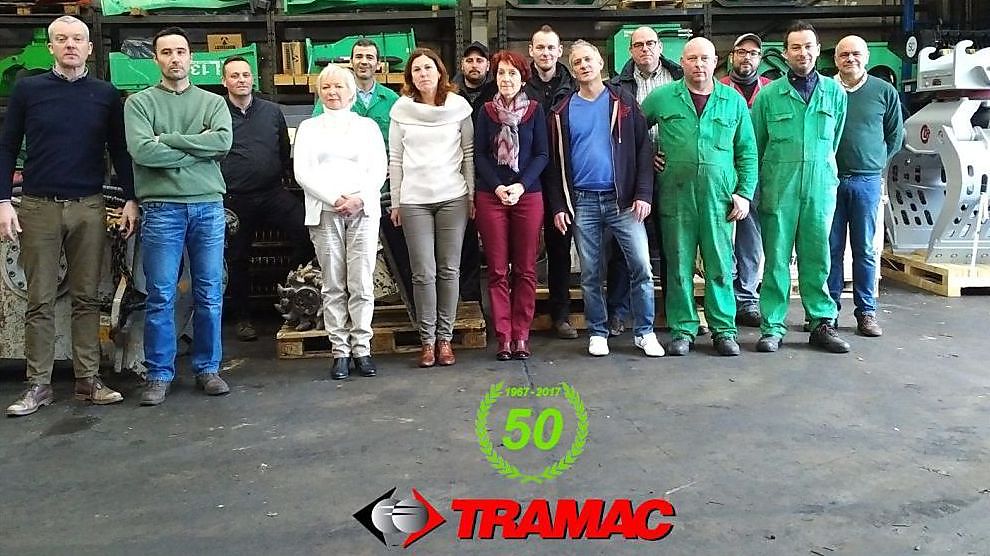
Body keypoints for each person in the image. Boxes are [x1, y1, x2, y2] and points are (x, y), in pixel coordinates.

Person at [0, 16, 139, 416]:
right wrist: (3, 201)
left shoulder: (105, 94)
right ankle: (38, 384)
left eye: (78, 39)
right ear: (51, 47)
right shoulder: (29, 90)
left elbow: (120, 150)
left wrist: (131, 199)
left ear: (90, 48)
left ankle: (87, 380)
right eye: (61, 39)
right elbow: (7, 145)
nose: (70, 45)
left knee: (87, 297)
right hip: (38, 206)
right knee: (39, 299)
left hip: (89, 206)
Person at [124, 26, 233, 404]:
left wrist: (168, 140)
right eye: (167, 52)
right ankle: (159, 374)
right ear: (156, 58)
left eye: (181, 52)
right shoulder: (139, 103)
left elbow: (222, 143)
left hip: (208, 206)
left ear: (191, 57)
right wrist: (198, 148)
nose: (174, 58)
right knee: (160, 293)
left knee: (210, 291)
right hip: (161, 208)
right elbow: (143, 152)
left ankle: (208, 368)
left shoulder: (213, 102)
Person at [545, 40, 663, 358]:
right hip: (582, 201)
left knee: (641, 267)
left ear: (600, 63)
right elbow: (553, 165)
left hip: (623, 201)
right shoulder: (561, 111)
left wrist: (643, 194)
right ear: (572, 70)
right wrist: (559, 205)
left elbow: (643, 149)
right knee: (590, 273)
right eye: (577, 62)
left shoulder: (623, 102)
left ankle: (645, 332)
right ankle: (597, 332)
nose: (584, 65)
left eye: (589, 59)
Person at [642, 38, 758, 357]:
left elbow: (747, 151)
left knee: (720, 264)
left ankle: (723, 330)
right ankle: (683, 329)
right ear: (682, 61)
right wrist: (648, 156)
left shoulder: (732, 101)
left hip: (719, 200)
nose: (698, 64)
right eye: (692, 58)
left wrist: (744, 194)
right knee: (678, 265)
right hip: (675, 197)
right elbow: (632, 133)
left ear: (716, 61)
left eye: (705, 58)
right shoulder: (663, 97)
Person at [751, 21, 850, 354]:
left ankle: (821, 322)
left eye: (808, 46)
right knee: (776, 259)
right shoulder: (768, 96)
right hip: (779, 189)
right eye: (795, 47)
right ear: (785, 53)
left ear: (818, 50)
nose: (802, 52)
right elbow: (756, 146)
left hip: (820, 189)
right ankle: (772, 327)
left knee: (818, 256)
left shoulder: (835, 93)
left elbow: (833, 141)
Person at [294, 65, 387, 380]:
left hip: (363, 211)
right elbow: (302, 172)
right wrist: (335, 199)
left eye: (339, 86)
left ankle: (362, 347)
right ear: (319, 92)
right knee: (333, 283)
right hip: (325, 212)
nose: (333, 92)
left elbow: (379, 169)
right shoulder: (309, 128)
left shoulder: (367, 127)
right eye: (327, 86)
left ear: (351, 92)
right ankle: (340, 351)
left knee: (361, 281)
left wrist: (359, 198)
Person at [389, 48, 474, 368]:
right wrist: (396, 201)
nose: (423, 74)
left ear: (440, 72)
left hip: (453, 197)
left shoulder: (458, 107)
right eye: (417, 69)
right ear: (410, 77)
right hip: (414, 201)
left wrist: (471, 197)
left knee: (449, 269)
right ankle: (427, 341)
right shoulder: (401, 110)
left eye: (428, 68)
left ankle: (445, 339)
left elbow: (468, 154)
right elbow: (395, 159)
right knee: (423, 272)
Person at [313, 40, 412, 312]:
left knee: (390, 250)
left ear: (378, 64)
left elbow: (402, 143)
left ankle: (389, 301)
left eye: (370, 57)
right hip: (341, 193)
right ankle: (348, 311)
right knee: (343, 259)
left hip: (384, 186)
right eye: (359, 56)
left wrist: (392, 174)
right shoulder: (333, 97)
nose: (364, 61)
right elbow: (318, 139)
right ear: (351, 61)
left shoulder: (391, 100)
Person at [220, 55, 311, 342]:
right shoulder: (215, 111)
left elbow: (283, 149)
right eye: (234, 75)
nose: (241, 80)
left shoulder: (272, 111)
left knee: (307, 231)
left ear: (253, 78)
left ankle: (287, 295)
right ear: (224, 81)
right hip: (234, 198)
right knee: (237, 257)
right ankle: (243, 317)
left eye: (246, 75)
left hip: (272, 192)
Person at [607, 26, 684, 337]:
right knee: (624, 247)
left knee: (673, 246)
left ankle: (677, 313)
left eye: (651, 43)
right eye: (638, 45)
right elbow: (619, 134)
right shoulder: (617, 86)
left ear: (660, 46)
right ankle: (617, 312)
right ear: (630, 51)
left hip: (673, 176)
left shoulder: (679, 79)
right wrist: (644, 158)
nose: (645, 49)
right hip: (633, 176)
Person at [474, 50, 549, 361]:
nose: (506, 79)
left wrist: (520, 185)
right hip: (491, 196)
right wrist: (498, 186)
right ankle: (503, 336)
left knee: (525, 269)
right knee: (496, 270)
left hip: (527, 195)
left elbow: (542, 154)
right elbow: (479, 155)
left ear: (523, 79)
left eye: (512, 73)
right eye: (501, 73)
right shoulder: (486, 112)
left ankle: (521, 335)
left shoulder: (534, 111)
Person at [829, 35, 904, 337]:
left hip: (866, 181)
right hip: (830, 181)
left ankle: (866, 313)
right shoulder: (826, 90)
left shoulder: (884, 92)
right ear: (835, 59)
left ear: (867, 57)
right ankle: (827, 313)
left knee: (865, 250)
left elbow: (895, 135)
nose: (850, 59)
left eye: (856, 53)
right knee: (830, 249)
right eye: (844, 54)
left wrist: (875, 162)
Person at [522, 25, 578, 340]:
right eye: (540, 47)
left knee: (560, 247)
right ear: (531, 51)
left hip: (563, 176)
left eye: (551, 48)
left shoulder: (573, 87)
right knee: (523, 250)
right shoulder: (520, 85)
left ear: (560, 51)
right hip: (527, 176)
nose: (545, 53)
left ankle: (561, 315)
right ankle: (522, 315)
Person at [720, 33, 772, 328]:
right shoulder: (719, 89)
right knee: (722, 238)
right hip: (724, 176)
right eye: (741, 51)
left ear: (760, 58)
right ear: (732, 57)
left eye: (753, 53)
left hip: (758, 176)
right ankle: (725, 296)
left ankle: (747, 298)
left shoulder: (770, 91)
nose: (747, 57)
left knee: (751, 238)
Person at [451, 41, 494, 305]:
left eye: (479, 60)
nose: (474, 65)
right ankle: (468, 300)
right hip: (458, 175)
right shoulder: (450, 94)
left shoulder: (496, 91)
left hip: (492, 176)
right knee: (464, 239)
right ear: (462, 65)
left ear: (488, 65)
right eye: (469, 60)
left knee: (494, 242)